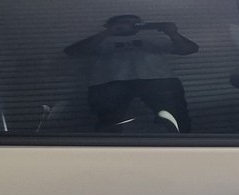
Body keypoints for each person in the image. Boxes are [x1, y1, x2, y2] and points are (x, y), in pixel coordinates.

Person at [64, 14, 199, 132]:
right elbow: (73, 52)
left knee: (177, 119)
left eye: (134, 22)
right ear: (109, 25)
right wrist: (107, 33)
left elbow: (189, 49)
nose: (130, 25)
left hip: (158, 81)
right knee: (108, 122)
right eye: (124, 22)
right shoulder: (101, 40)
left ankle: (184, 148)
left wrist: (172, 33)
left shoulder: (152, 38)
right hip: (110, 83)